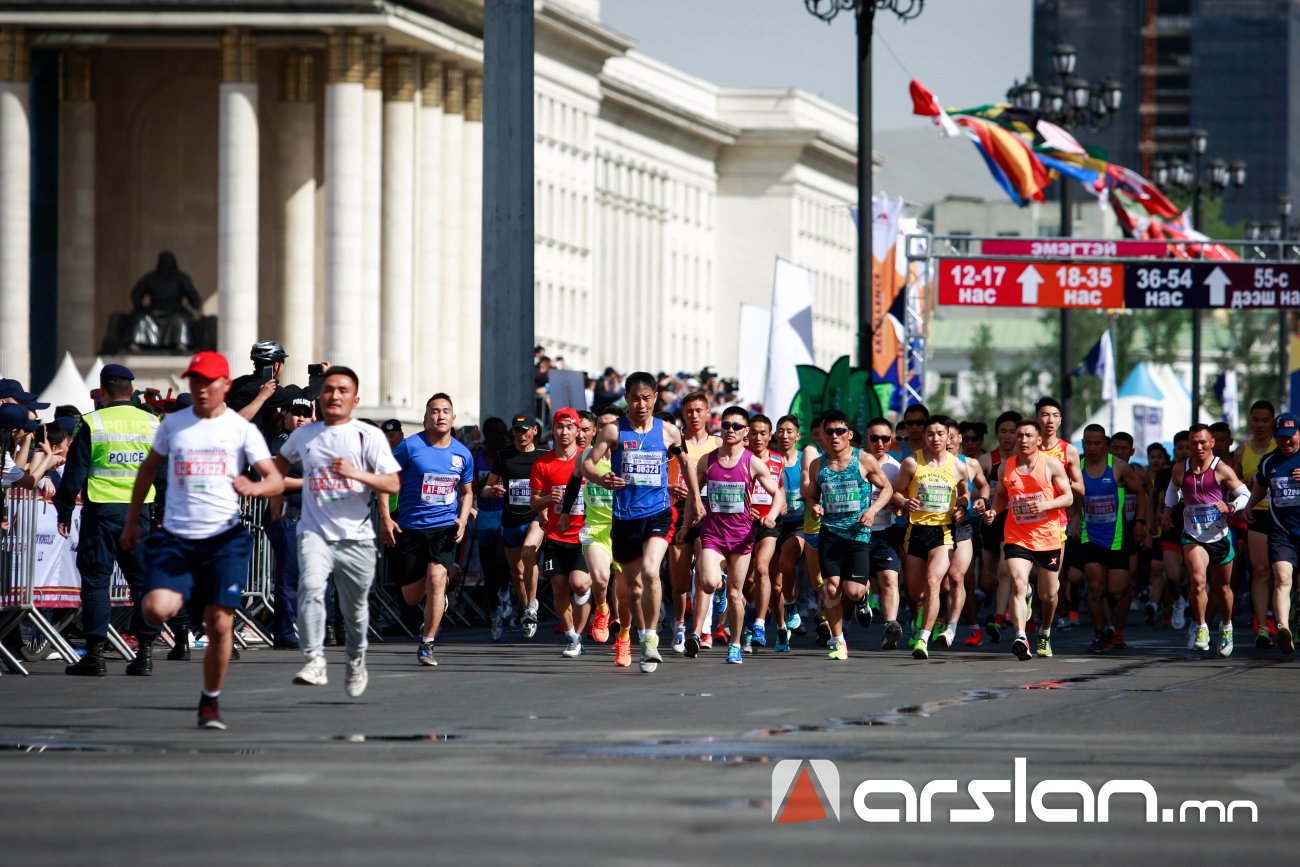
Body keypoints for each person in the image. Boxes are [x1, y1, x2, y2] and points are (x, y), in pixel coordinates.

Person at [121, 351, 284, 730]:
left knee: (220, 625)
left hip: (223, 539)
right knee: (157, 609)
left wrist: (255, 487)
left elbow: (274, 478)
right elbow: (147, 469)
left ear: (225, 385)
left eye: (208, 381)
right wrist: (132, 520)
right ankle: (190, 598)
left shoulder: (240, 428)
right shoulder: (173, 423)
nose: (200, 388)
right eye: (194, 380)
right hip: (177, 538)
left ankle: (210, 701)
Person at [275, 367, 399, 696]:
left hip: (355, 536)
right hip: (314, 530)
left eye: (343, 390)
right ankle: (315, 659)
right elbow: (278, 464)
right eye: (329, 389)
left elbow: (392, 481)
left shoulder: (368, 436)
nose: (335, 395)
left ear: (355, 399)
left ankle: (356, 660)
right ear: (321, 397)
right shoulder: (304, 435)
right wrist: (275, 497)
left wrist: (357, 474)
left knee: (355, 610)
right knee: (311, 587)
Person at [577, 371, 700, 673]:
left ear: (655, 398)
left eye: (646, 398)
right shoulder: (612, 432)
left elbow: (687, 464)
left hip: (658, 513)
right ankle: (634, 635)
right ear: (627, 399)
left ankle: (652, 638)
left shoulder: (669, 432)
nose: (641, 404)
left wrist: (695, 499)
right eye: (634, 398)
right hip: (624, 518)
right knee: (632, 589)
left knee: (650, 570)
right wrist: (600, 478)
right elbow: (588, 464)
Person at [56, 364, 162, 677]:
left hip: (101, 513)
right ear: (132, 391)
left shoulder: (92, 422)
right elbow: (163, 471)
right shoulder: (152, 423)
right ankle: (144, 654)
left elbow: (75, 473)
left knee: (96, 582)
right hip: (138, 513)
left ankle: (95, 655)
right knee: (142, 583)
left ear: (102, 390)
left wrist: (64, 509)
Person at [381, 394, 474, 667]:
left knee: (436, 577)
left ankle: (427, 643)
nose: (441, 416)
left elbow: (467, 492)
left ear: (453, 418)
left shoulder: (462, 454)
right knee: (411, 597)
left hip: (444, 528)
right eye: (435, 411)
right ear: (426, 418)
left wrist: (463, 518)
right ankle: (438, 591)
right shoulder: (409, 447)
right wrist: (386, 518)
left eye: (446, 411)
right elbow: (386, 481)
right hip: (410, 529)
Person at [681, 406, 779, 664]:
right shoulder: (708, 460)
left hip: (742, 536)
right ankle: (719, 585)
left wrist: (772, 515)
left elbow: (777, 493)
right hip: (713, 533)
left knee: (737, 594)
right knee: (708, 582)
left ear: (746, 431)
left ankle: (734, 643)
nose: (731, 430)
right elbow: (693, 494)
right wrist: (685, 525)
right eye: (726, 425)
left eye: (737, 426)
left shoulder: (752, 462)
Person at [805, 409, 894, 660]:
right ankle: (838, 641)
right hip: (830, 533)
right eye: (829, 431)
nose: (834, 436)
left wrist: (873, 510)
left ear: (849, 434)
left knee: (852, 591)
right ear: (821, 435)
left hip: (857, 534)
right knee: (831, 588)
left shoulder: (863, 460)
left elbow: (886, 488)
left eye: (840, 431)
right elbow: (811, 495)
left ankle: (863, 596)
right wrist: (814, 506)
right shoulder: (818, 465)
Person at [983, 418, 1074, 661]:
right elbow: (1001, 496)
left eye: (1028, 436)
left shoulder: (1052, 465)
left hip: (1047, 537)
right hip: (1017, 535)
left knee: (1049, 595)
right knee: (1017, 582)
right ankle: (1021, 636)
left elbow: (1068, 498)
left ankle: (1044, 632)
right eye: (1019, 436)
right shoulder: (1007, 467)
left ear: (1039, 440)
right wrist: (994, 510)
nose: (1022, 440)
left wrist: (1046, 504)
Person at [1163, 424, 1252, 656]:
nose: (1199, 447)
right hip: (1192, 534)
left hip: (1219, 535)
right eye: (1194, 443)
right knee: (1197, 580)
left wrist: (1231, 505)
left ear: (1212, 443)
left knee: (1222, 588)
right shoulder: (1180, 469)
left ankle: (1226, 626)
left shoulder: (1221, 468)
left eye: (1203, 442)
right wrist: (1166, 510)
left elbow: (1245, 494)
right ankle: (1201, 626)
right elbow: (1172, 489)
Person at [891, 416, 972, 660]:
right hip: (915, 532)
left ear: (949, 436)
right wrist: (905, 501)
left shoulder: (957, 466)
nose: (935, 438)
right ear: (924, 436)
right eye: (930, 434)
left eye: (940, 433)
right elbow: (895, 492)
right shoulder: (911, 464)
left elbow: (965, 491)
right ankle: (925, 614)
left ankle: (923, 638)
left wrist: (962, 504)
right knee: (917, 593)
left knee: (933, 581)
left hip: (943, 533)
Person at [561, 406, 626, 664]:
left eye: (611, 425)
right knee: (599, 577)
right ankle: (601, 610)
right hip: (595, 528)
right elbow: (574, 480)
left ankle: (624, 637)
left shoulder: (627, 457)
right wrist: (565, 511)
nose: (605, 430)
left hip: (623, 528)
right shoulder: (587, 455)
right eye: (602, 425)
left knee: (625, 593)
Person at [530, 408, 592, 659]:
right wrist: (547, 498)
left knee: (579, 584)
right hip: (555, 536)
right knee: (559, 589)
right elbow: (533, 504)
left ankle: (583, 613)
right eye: (559, 427)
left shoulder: (587, 460)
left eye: (569, 427)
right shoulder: (542, 464)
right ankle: (573, 637)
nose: (564, 432)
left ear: (578, 431)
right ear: (552, 431)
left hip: (583, 535)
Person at [1077, 425, 1144, 652]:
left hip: (1116, 538)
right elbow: (1070, 495)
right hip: (1090, 536)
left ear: (1105, 445)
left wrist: (1142, 523)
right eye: (1088, 443)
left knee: (1115, 589)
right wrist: (1074, 518)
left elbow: (1142, 491)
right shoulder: (1077, 467)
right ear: (1083, 444)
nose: (1092, 447)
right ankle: (1100, 633)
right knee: (1095, 587)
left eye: (1097, 443)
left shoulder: (1118, 467)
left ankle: (1112, 626)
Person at [480, 414, 545, 637]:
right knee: (517, 573)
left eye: (525, 430)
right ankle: (526, 607)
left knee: (529, 554)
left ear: (534, 431)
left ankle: (531, 607)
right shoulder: (504, 456)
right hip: (511, 520)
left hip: (536, 518)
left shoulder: (544, 456)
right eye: (517, 431)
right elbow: (486, 488)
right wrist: (493, 491)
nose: (521, 435)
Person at [1244, 413, 1300, 654]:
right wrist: (1248, 505)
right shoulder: (1269, 461)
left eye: (1290, 437)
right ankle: (1283, 628)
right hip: (1281, 530)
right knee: (1282, 577)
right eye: (1281, 438)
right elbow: (1261, 485)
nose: (1286, 442)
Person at [668, 391, 718, 653]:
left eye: (699, 410)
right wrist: (670, 489)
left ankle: (703, 629)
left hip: (708, 514)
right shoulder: (674, 443)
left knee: (703, 571)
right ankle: (679, 624)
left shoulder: (718, 444)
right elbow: (659, 476)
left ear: (708, 412)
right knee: (680, 582)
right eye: (689, 411)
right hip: (677, 513)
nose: (694, 415)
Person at [265, 399, 312, 650]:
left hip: (306, 517)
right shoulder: (282, 441)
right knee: (288, 576)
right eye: (296, 414)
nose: (301, 419)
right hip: (286, 516)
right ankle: (284, 632)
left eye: (306, 414)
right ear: (286, 417)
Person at [741, 413, 786, 653]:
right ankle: (750, 617)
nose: (758, 438)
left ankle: (760, 625)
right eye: (754, 433)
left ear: (771, 436)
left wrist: (779, 508)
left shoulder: (778, 460)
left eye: (763, 433)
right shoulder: (742, 458)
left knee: (762, 569)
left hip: (769, 524)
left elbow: (779, 489)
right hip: (744, 523)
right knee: (747, 580)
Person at [1235, 400, 1277, 648]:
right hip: (1257, 515)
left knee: (1282, 573)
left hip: (1282, 516)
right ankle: (1262, 626)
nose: (1260, 425)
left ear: (1272, 422)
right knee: (1260, 571)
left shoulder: (1282, 447)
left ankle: (1280, 618)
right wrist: (1245, 493)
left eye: (1265, 420)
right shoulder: (1243, 451)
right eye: (1256, 420)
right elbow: (1233, 482)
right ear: (1250, 421)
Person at [226, 340, 326, 439]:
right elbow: (304, 396)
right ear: (276, 365)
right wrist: (328, 377)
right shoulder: (267, 390)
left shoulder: (238, 383)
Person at [863, 417, 905, 645]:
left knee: (890, 578)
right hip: (857, 532)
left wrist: (898, 503)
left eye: (885, 438)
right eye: (874, 438)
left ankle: (890, 626)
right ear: (867, 438)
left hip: (885, 532)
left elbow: (901, 504)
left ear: (891, 440)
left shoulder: (895, 468)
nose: (880, 443)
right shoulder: (855, 463)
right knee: (857, 587)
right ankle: (862, 603)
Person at [769, 414, 806, 653]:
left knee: (786, 562)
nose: (784, 435)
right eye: (780, 431)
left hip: (799, 524)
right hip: (774, 523)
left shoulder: (806, 459)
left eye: (789, 431)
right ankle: (782, 630)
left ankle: (791, 603)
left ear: (797, 435)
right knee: (774, 585)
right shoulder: (769, 460)